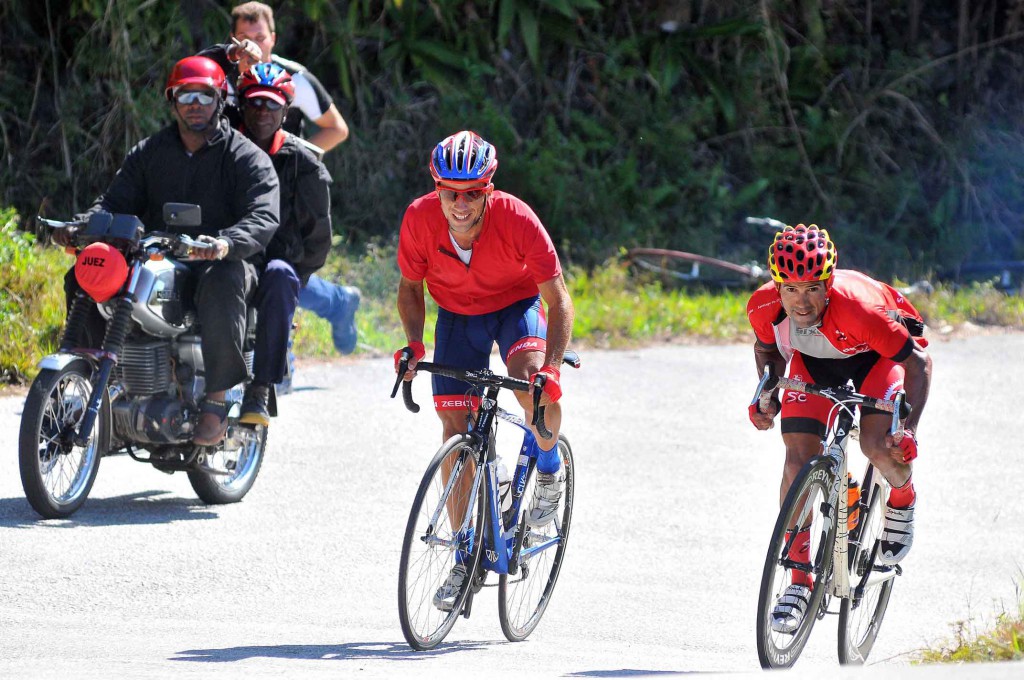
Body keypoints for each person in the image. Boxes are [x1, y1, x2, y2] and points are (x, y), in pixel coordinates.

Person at [394, 130, 575, 611]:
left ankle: (550, 472)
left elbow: (558, 300)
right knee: (455, 429)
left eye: (471, 193)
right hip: (456, 316)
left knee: (532, 386)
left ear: (487, 189)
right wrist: (414, 343)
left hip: (515, 308)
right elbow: (411, 289)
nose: (459, 203)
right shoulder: (419, 219)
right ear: (437, 188)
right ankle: (465, 553)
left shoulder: (518, 219)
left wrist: (552, 369)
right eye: (450, 192)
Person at [62, 56, 280, 446]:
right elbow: (114, 202)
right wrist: (82, 226)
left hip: (219, 259)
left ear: (220, 99)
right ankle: (94, 377)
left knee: (224, 279)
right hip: (156, 256)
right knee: (87, 270)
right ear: (173, 99)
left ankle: (215, 401)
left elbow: (263, 217)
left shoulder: (247, 157)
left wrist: (224, 244)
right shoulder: (149, 152)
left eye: (204, 95)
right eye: (185, 94)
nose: (194, 103)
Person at [746, 224, 932, 634]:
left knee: (877, 446)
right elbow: (768, 352)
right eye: (790, 289)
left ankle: (902, 497)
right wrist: (767, 395)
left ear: (828, 283)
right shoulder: (763, 307)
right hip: (814, 365)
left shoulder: (859, 308)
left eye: (812, 288)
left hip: (875, 361)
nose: (801, 301)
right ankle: (798, 582)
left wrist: (910, 429)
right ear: (776, 286)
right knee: (797, 462)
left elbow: (919, 364)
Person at [199, 1, 360, 354]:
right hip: (235, 180)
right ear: (233, 40)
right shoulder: (223, 79)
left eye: (259, 37)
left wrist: (294, 156)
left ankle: (280, 355)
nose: (252, 46)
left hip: (284, 181)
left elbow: (337, 129)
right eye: (243, 37)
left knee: (281, 262)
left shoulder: (296, 78)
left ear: (272, 38)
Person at [235, 63, 332, 425]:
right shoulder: (223, 149)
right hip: (231, 255)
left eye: (272, 104)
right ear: (241, 105)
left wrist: (296, 281)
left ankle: (260, 390)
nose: (263, 112)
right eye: (255, 103)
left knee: (279, 276)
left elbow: (318, 237)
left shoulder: (304, 164)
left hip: (277, 264)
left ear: (286, 112)